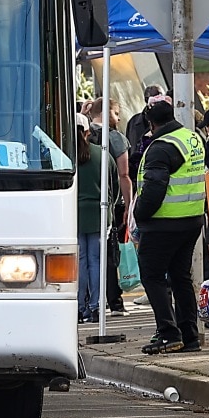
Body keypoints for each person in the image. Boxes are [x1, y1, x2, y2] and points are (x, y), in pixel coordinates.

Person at [133, 99, 206, 355]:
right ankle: (189, 335)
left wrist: (139, 214)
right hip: (192, 220)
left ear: (151, 123)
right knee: (180, 277)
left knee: (152, 276)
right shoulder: (191, 138)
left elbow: (153, 190)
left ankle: (168, 333)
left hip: (163, 223)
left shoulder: (161, 147)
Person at [84, 97, 134, 315]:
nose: (119, 117)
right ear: (107, 113)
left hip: (81, 205)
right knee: (109, 254)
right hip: (109, 203)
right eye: (116, 112)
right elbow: (124, 175)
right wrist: (128, 205)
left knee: (85, 256)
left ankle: (88, 301)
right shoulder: (114, 138)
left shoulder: (80, 135)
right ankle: (114, 301)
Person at [75, 113, 117, 323]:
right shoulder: (103, 155)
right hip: (100, 215)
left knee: (80, 261)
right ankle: (96, 306)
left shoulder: (65, 157)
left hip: (74, 216)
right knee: (96, 260)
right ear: (88, 131)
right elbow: (114, 187)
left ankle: (80, 306)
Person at [126, 84, 164, 181]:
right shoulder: (133, 122)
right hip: (137, 173)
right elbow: (130, 148)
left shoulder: (167, 120)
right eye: (155, 98)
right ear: (146, 100)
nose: (158, 100)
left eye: (160, 97)